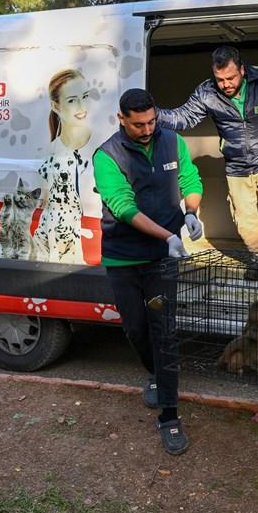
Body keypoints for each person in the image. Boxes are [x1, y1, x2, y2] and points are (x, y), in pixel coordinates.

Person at [93, 88, 204, 455]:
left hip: (162, 259)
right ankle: (155, 374)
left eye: (152, 121)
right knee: (136, 329)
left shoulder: (172, 141)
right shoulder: (107, 155)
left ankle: (169, 416)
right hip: (124, 257)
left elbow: (189, 178)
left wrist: (191, 212)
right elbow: (123, 207)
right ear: (121, 119)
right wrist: (168, 236)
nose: (147, 129)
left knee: (163, 331)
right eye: (138, 124)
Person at [156, 46, 258, 265]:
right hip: (236, 162)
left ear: (242, 69)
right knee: (244, 217)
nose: (225, 84)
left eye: (230, 77)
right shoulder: (207, 92)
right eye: (220, 79)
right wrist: (154, 114)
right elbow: (185, 117)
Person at [34, 69, 93, 263]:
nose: (82, 106)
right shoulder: (50, 153)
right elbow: (45, 202)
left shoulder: (102, 141)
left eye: (85, 96)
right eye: (71, 100)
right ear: (55, 107)